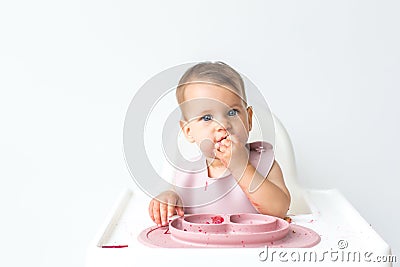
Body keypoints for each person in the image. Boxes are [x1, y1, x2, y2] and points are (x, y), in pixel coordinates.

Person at [148, 61, 290, 226]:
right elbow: (176, 206)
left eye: (232, 112)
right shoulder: (188, 173)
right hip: (203, 250)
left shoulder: (263, 163)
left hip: (254, 248)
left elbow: (279, 209)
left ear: (249, 119)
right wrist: (168, 199)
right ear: (188, 131)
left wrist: (241, 167)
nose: (223, 124)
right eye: (207, 118)